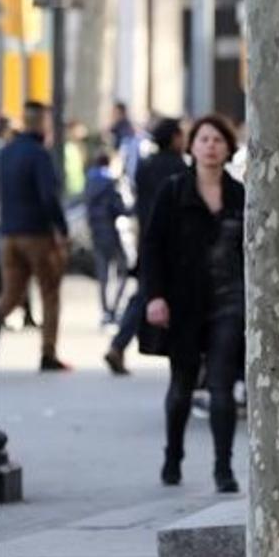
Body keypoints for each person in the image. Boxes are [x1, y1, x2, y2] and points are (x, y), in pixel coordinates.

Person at [142, 115, 244, 492]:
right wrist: (155, 296)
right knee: (182, 385)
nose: (211, 145)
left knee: (221, 387)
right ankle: (173, 456)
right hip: (183, 302)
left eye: (218, 139)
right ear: (192, 146)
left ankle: (223, 469)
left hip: (228, 302)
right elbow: (151, 247)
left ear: (228, 147)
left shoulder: (240, 195)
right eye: (204, 139)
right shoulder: (173, 191)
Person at [105, 119, 187, 375]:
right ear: (174, 138)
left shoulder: (146, 166)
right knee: (149, 295)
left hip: (147, 237)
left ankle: (119, 345)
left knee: (144, 292)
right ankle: (119, 345)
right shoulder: (179, 168)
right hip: (173, 241)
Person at [0, 101, 70, 371]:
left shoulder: (6, 153)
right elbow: (48, 196)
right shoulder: (39, 155)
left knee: (9, 297)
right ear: (40, 122)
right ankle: (48, 353)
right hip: (36, 234)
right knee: (50, 292)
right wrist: (61, 229)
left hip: (9, 233)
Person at [84, 153, 129, 326]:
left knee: (103, 273)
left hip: (96, 231)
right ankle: (114, 309)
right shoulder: (110, 182)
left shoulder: (89, 181)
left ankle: (105, 311)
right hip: (110, 230)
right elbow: (119, 208)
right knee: (123, 270)